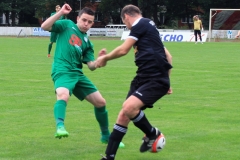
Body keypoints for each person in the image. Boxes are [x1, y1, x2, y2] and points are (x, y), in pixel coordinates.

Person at [41, 4, 125, 147]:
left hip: (77, 74)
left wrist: (101, 61)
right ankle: (60, 127)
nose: (86, 24)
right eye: (84, 20)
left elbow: (91, 66)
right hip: (62, 70)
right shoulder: (66, 25)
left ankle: (106, 136)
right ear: (78, 18)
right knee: (63, 95)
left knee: (101, 102)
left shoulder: (87, 42)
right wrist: (60, 12)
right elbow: (45, 27)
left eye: (90, 22)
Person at [95, 4, 173, 160]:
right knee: (123, 115)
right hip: (143, 78)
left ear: (127, 17)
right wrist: (168, 81)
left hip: (155, 78)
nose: (127, 26)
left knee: (129, 107)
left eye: (125, 23)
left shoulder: (140, 24)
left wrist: (105, 58)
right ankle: (109, 157)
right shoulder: (150, 29)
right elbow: (168, 56)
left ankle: (153, 134)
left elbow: (123, 50)